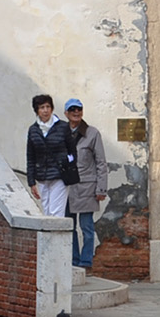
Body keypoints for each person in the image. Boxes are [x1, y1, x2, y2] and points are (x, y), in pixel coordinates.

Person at [64, 98, 108, 270]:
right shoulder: (62, 132)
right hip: (67, 188)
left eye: (79, 109)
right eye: (72, 109)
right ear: (66, 113)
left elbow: (101, 162)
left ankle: (86, 261)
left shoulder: (92, 133)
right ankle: (73, 260)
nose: (76, 112)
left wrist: (101, 188)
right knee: (69, 226)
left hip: (87, 187)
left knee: (87, 227)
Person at [26, 93, 75, 218]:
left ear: (52, 108)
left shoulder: (63, 127)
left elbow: (72, 151)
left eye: (48, 107)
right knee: (46, 212)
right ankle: (48, 238)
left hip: (60, 175)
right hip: (42, 176)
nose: (45, 110)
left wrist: (68, 164)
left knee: (56, 213)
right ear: (37, 110)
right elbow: (31, 156)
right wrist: (31, 181)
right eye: (42, 107)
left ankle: (56, 238)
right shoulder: (33, 130)